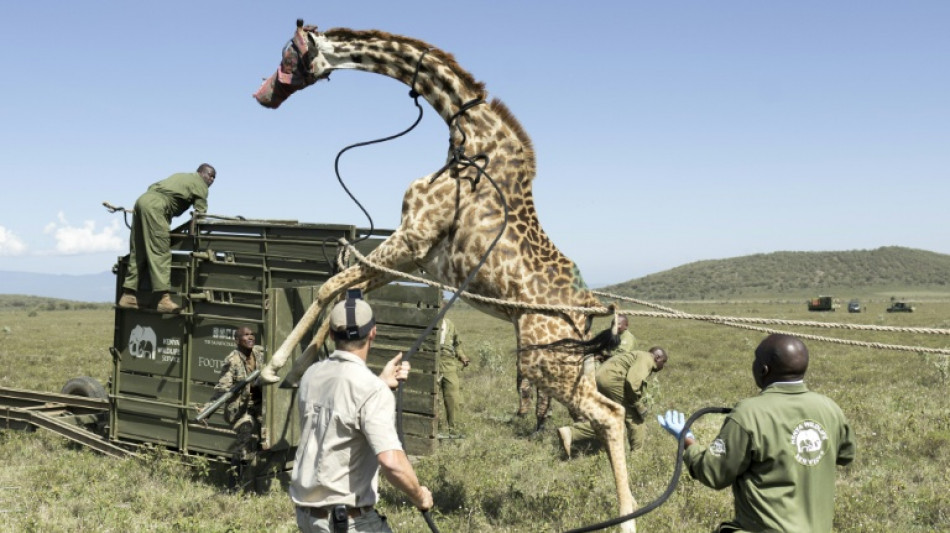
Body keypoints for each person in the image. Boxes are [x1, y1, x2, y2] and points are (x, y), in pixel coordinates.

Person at [657, 333, 856, 533]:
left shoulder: (748, 414)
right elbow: (846, 455)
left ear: (763, 369)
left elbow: (714, 473)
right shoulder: (830, 409)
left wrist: (687, 439)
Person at [291, 293, 433, 533]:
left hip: (308, 517)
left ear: (333, 335)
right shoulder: (371, 390)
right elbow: (392, 463)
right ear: (373, 333)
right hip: (348, 524)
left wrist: (381, 382)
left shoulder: (311, 375)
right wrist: (420, 496)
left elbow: (342, 410)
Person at [117, 163, 217, 313]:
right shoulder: (199, 184)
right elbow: (200, 213)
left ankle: (128, 295)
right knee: (160, 251)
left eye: (214, 178)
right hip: (156, 207)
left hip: (142, 201)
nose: (212, 180)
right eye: (210, 175)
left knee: (140, 250)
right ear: (201, 173)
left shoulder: (181, 176)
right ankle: (163, 299)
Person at [557, 346, 668, 456]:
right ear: (657, 357)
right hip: (612, 381)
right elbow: (632, 382)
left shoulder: (637, 354)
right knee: (635, 418)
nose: (663, 366)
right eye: (664, 362)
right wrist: (637, 404)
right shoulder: (647, 359)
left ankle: (570, 433)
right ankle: (637, 456)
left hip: (599, 379)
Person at [206, 326, 263, 488]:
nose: (250, 337)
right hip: (241, 409)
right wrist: (208, 409)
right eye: (245, 335)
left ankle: (256, 480)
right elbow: (222, 388)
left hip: (260, 406)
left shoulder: (259, 353)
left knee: (263, 440)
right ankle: (233, 484)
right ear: (237, 340)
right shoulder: (232, 360)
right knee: (243, 442)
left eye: (252, 334)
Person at [438, 317, 470, 438]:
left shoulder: (449, 324)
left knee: (453, 397)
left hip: (448, 363)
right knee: (431, 397)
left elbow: (457, 344)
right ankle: (430, 428)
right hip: (431, 361)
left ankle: (454, 430)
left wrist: (462, 356)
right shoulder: (428, 321)